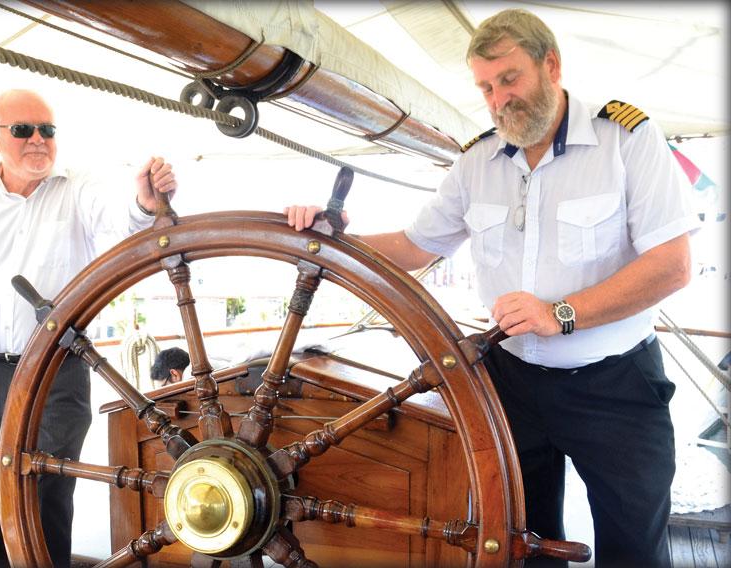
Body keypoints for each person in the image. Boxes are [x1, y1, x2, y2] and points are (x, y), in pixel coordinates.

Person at [285, 9, 697, 568]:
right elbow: (414, 246)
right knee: (520, 543)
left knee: (635, 551)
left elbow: (672, 264)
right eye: (485, 87)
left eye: (510, 79)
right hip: (511, 385)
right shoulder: (477, 159)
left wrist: (563, 313)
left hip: (615, 387)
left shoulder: (625, 137)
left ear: (550, 65)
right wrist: (331, 236)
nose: (499, 100)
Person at [0, 89, 178, 567]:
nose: (37, 141)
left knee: (49, 489)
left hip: (57, 372)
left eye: (46, 130)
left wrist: (142, 201)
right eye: (22, 130)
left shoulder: (80, 187)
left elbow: (121, 216)